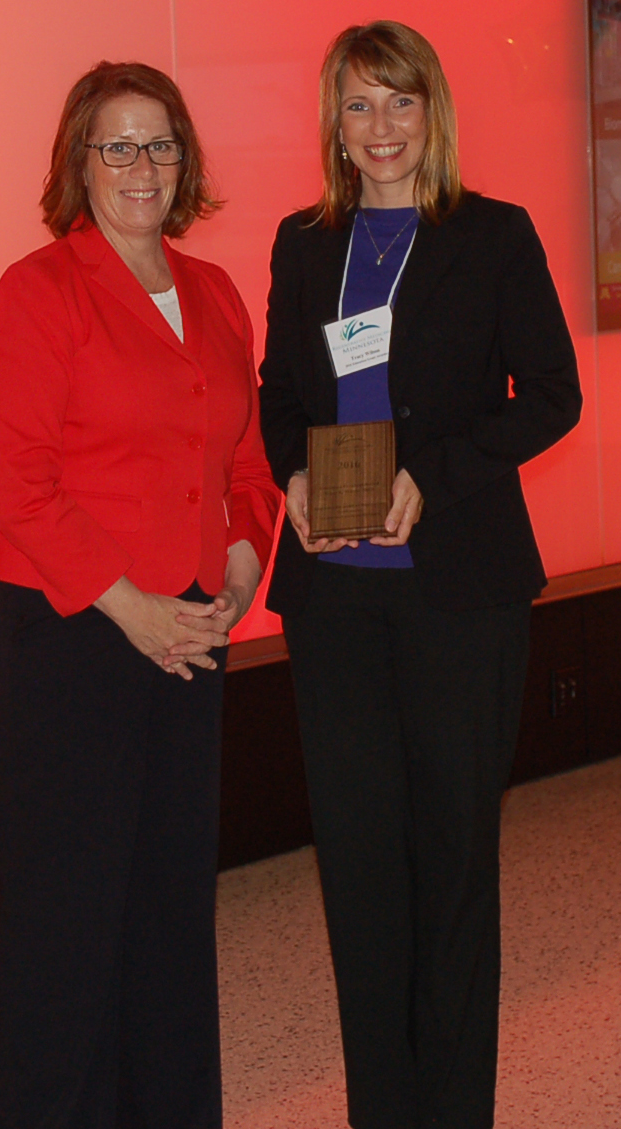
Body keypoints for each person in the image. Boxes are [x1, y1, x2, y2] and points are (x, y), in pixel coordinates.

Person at [259, 21, 581, 1129]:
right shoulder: (304, 244)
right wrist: (293, 473)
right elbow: (277, 395)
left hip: (458, 591)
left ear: (430, 111)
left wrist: (431, 479)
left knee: (450, 864)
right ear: (334, 127)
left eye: (399, 102)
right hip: (336, 596)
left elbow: (550, 394)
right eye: (358, 105)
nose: (380, 126)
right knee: (356, 866)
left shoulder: (493, 235)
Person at [0, 60, 279, 1129]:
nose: (141, 166)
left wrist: (244, 560)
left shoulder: (215, 292)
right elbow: (16, 485)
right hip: (69, 631)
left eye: (160, 144)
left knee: (168, 908)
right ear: (80, 163)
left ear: (184, 160)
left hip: (192, 627)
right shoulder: (38, 291)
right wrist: (129, 603)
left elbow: (246, 464)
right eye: (118, 145)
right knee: (71, 916)